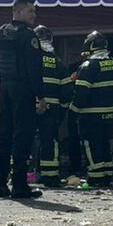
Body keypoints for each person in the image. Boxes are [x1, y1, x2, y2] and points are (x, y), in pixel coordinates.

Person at [0, 0, 46, 199]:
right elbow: (34, 69)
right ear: (19, 12)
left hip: (6, 88)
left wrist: (2, 87)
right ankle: (19, 185)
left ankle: (0, 184)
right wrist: (41, 96)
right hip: (23, 90)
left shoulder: (1, 32)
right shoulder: (27, 36)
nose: (34, 15)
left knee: (5, 136)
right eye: (31, 11)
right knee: (22, 137)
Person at [70, 30, 113, 187]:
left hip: (90, 114)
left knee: (91, 144)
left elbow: (81, 93)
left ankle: (95, 177)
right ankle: (106, 174)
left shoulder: (87, 66)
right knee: (104, 143)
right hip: (109, 113)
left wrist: (72, 110)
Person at [32, 25, 70, 188]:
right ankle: (50, 176)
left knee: (23, 139)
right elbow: (66, 91)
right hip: (52, 109)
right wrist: (62, 110)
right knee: (50, 141)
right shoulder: (58, 63)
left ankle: (18, 173)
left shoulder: (30, 59)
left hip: (29, 106)